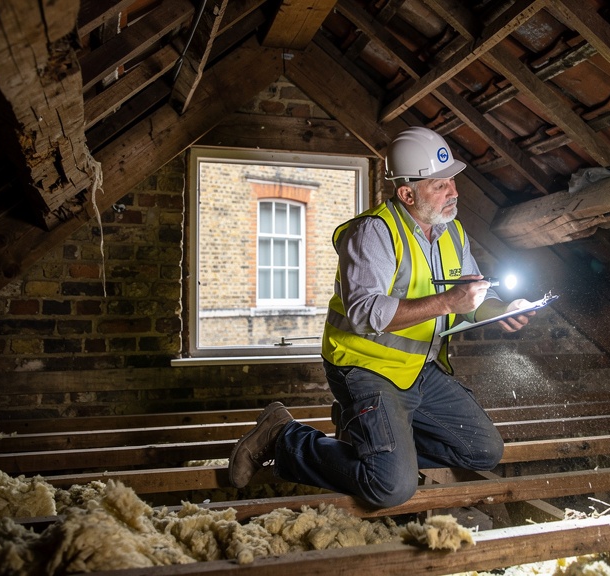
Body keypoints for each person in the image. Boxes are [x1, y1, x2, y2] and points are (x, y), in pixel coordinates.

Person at [227, 126, 535, 508]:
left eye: (453, 181)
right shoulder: (373, 233)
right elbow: (365, 312)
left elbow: (468, 298)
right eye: (440, 186)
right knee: (390, 486)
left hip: (419, 369)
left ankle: (377, 441)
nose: (454, 192)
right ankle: (283, 437)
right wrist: (446, 303)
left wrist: (502, 309)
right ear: (407, 193)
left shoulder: (453, 233)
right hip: (366, 369)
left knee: (483, 451)